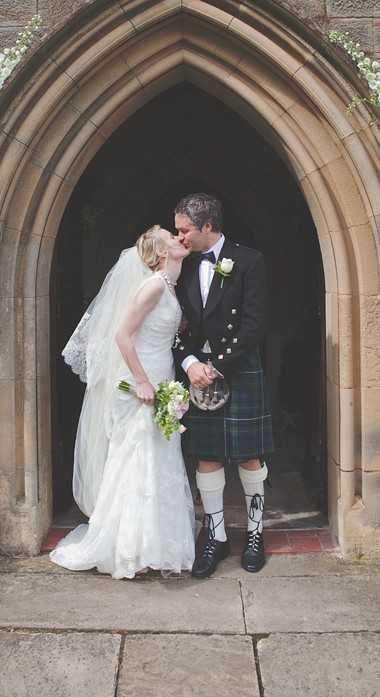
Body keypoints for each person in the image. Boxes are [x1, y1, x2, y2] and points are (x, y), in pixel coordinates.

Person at [50, 226, 195, 579]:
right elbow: (121, 335)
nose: (179, 238)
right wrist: (143, 382)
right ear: (162, 252)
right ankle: (133, 551)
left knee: (157, 461)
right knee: (138, 463)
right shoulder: (155, 285)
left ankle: (154, 546)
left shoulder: (168, 286)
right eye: (171, 236)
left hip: (160, 382)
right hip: (140, 387)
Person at [174, 194, 274, 577]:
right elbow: (173, 323)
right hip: (197, 370)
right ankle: (215, 537)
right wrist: (189, 362)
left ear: (208, 227)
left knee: (249, 455)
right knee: (207, 455)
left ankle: (254, 534)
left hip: (236, 368)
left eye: (185, 230)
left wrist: (216, 367)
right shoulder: (180, 265)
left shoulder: (248, 260)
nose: (180, 237)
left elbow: (255, 324)